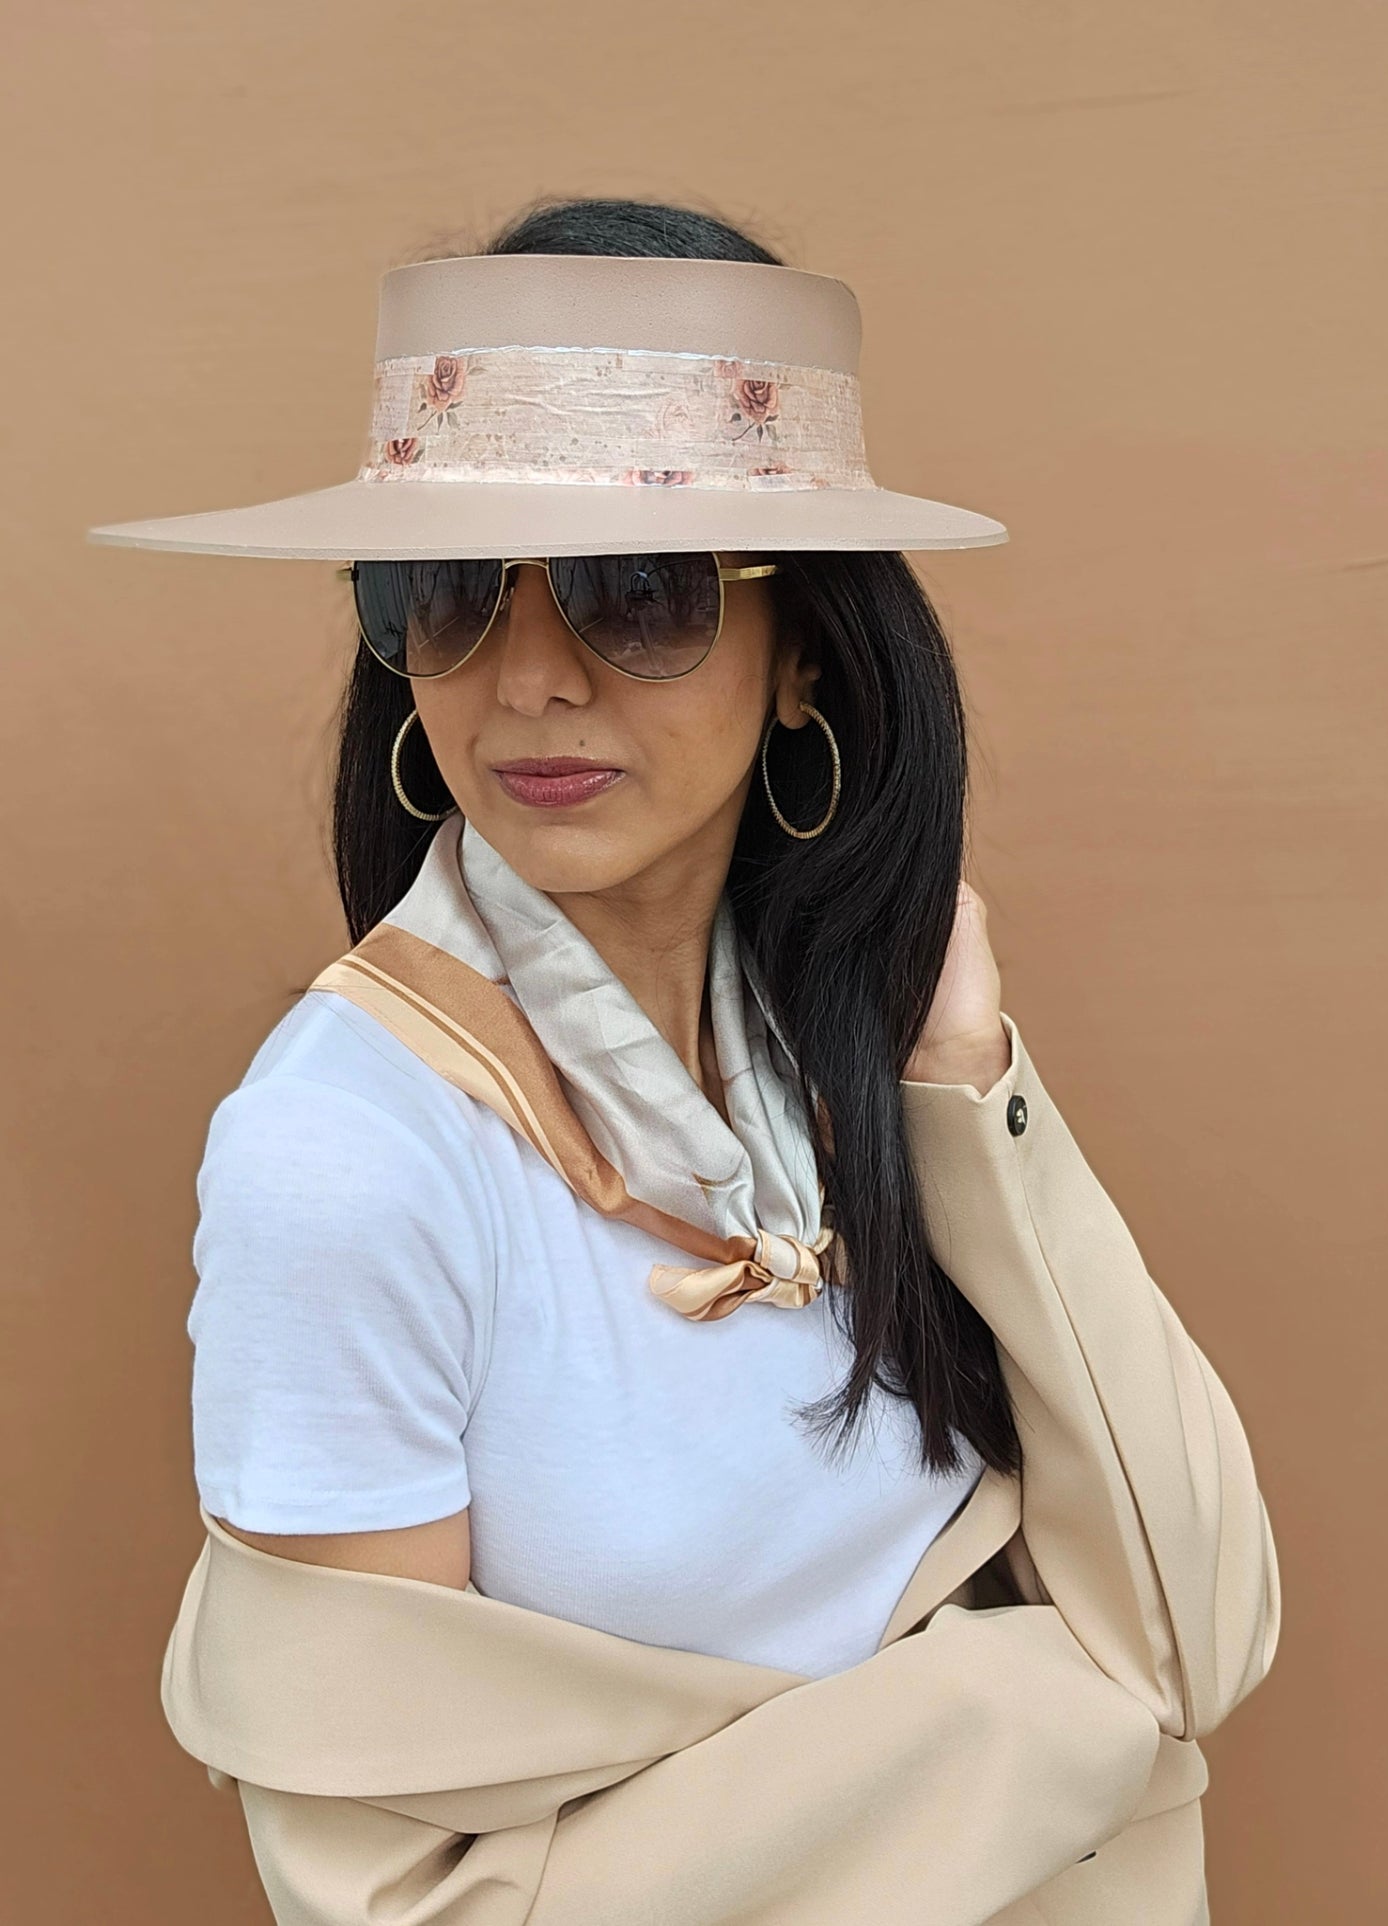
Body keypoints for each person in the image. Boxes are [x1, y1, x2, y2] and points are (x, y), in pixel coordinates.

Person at [87, 196, 1280, 1924]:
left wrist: (964, 1084)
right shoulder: (347, 1154)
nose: (530, 683)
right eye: (444, 596)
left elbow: (1193, 1632)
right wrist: (1011, 1717)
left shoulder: (848, 1058)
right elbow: (401, 1899)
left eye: (636, 596)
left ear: (807, 653)